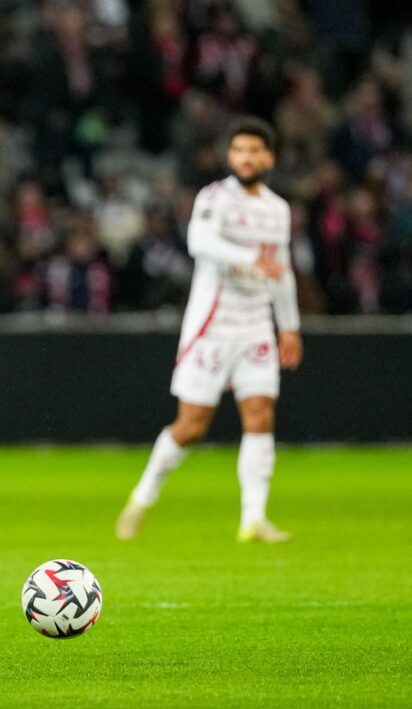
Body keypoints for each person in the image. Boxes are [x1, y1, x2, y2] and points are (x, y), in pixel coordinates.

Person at [116, 117, 303, 543]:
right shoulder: (214, 198)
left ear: (269, 157)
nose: (246, 157)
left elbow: (283, 269)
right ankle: (142, 497)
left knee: (260, 414)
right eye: (239, 150)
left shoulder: (278, 208)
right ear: (230, 156)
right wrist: (251, 258)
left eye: (254, 150)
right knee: (192, 425)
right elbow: (200, 244)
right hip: (212, 326)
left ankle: (253, 519)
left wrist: (289, 327)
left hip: (256, 324)